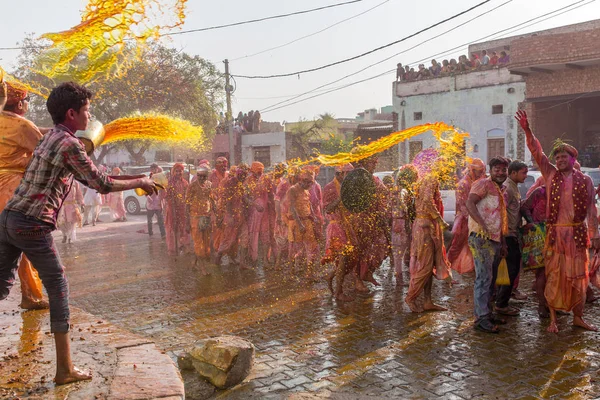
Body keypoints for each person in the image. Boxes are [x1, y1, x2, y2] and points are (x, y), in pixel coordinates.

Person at [0, 81, 159, 385]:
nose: (90, 115)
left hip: (8, 219)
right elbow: (100, 183)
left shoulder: (49, 138)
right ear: (72, 113)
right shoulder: (68, 144)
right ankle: (65, 370)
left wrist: (137, 177)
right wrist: (142, 181)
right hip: (32, 223)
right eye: (87, 110)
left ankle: (65, 367)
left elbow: (94, 174)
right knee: (59, 288)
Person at [516, 110, 600, 333]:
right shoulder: (551, 175)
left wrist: (596, 234)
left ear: (573, 159)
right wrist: (527, 130)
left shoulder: (586, 181)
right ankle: (553, 318)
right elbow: (537, 151)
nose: (560, 160)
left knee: (579, 277)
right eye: (558, 157)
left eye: (564, 157)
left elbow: (591, 209)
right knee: (554, 276)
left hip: (577, 234)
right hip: (555, 235)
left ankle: (578, 317)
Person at [0, 82, 49, 311]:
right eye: (27, 102)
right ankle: (31, 296)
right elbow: (43, 151)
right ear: (20, 103)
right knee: (27, 245)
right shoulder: (22, 124)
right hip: (14, 191)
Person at [466, 156, 510, 333]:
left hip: (496, 239)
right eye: (497, 169)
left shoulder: (501, 189)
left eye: (503, 169)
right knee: (483, 278)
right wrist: (482, 225)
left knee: (490, 280)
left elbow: (501, 218)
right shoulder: (482, 184)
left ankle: (487, 312)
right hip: (480, 237)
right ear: (491, 171)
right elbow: (469, 203)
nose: (500, 172)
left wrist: (504, 242)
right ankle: (481, 318)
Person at [405, 174, 451, 312]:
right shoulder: (431, 178)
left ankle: (427, 301)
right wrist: (440, 221)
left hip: (424, 225)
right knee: (425, 266)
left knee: (430, 265)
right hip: (425, 228)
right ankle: (410, 297)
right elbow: (427, 200)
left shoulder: (426, 180)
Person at [349, 156, 390, 292]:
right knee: (359, 251)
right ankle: (357, 280)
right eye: (372, 163)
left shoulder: (375, 179)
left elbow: (384, 193)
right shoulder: (358, 178)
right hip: (360, 219)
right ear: (365, 163)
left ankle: (368, 272)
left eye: (375, 163)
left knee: (383, 247)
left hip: (375, 219)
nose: (374, 166)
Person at [495, 160, 528, 316]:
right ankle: (501, 304)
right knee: (511, 269)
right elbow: (501, 211)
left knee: (512, 269)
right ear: (513, 173)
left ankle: (501, 300)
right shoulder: (507, 188)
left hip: (513, 232)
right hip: (508, 235)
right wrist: (504, 235)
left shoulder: (513, 187)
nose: (526, 176)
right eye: (523, 172)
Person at [322, 164, 356, 301]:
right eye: (347, 175)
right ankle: (338, 292)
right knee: (342, 260)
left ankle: (331, 276)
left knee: (350, 259)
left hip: (346, 226)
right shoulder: (329, 187)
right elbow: (328, 209)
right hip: (335, 227)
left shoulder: (348, 187)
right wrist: (341, 198)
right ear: (340, 174)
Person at [447, 159, 486, 275]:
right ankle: (446, 270)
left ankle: (473, 269)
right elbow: (463, 206)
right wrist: (473, 219)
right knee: (456, 247)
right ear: (472, 170)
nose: (481, 174)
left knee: (472, 246)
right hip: (464, 220)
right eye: (479, 172)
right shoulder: (463, 184)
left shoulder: (475, 181)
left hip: (472, 219)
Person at [521, 179, 548, 318]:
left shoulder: (564, 192)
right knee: (542, 273)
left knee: (555, 273)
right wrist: (533, 223)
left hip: (559, 237)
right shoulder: (540, 192)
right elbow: (525, 207)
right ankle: (542, 305)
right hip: (540, 236)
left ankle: (553, 304)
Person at [215, 164, 249, 267]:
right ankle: (218, 258)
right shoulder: (229, 183)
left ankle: (243, 262)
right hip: (230, 217)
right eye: (242, 176)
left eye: (245, 176)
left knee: (245, 237)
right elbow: (227, 201)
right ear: (238, 174)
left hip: (240, 215)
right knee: (228, 240)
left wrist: (254, 204)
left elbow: (244, 198)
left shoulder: (241, 184)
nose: (243, 178)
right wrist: (229, 215)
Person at [287, 169, 319, 278]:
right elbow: (292, 208)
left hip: (307, 222)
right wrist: (300, 224)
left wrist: (313, 216)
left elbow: (308, 205)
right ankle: (291, 272)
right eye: (307, 182)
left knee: (311, 247)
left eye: (311, 183)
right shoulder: (292, 190)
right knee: (295, 249)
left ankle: (309, 273)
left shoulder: (307, 190)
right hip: (296, 223)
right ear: (301, 180)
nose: (309, 185)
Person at [391, 165, 418, 284]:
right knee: (401, 252)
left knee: (399, 252)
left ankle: (400, 278)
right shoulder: (403, 190)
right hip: (401, 222)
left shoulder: (398, 189)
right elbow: (403, 204)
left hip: (397, 222)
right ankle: (400, 279)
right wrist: (407, 212)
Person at [186, 166, 214, 275]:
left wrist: (215, 213)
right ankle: (203, 269)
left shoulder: (209, 185)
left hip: (206, 217)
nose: (201, 178)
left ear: (207, 176)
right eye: (199, 176)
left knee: (206, 243)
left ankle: (194, 263)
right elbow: (187, 204)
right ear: (197, 176)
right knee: (198, 243)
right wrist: (187, 222)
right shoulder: (192, 186)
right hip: (195, 218)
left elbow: (211, 199)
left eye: (204, 176)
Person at [246, 162, 270, 266]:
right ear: (252, 171)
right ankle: (252, 258)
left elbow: (271, 193)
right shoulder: (248, 180)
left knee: (265, 235)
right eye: (257, 172)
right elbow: (245, 197)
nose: (259, 174)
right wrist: (255, 204)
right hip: (253, 212)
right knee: (253, 235)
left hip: (265, 211)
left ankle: (265, 259)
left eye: (260, 172)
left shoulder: (266, 179)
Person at [163, 163, 190, 256]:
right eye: (177, 171)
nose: (179, 173)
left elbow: (188, 196)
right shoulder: (169, 183)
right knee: (172, 228)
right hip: (172, 209)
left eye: (180, 171)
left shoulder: (185, 182)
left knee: (183, 228)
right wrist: (172, 203)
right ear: (173, 172)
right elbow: (166, 197)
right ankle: (172, 249)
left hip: (182, 209)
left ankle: (184, 245)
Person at [208, 157, 228, 253]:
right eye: (222, 166)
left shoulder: (228, 175)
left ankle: (221, 250)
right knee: (215, 228)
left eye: (225, 166)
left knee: (225, 229)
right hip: (214, 206)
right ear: (217, 166)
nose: (224, 168)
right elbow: (208, 191)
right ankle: (214, 250)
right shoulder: (212, 176)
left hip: (226, 206)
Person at [146, 164, 166, 238]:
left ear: (157, 169)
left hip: (158, 202)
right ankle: (150, 233)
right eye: (153, 169)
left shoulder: (161, 178)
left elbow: (163, 190)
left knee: (160, 220)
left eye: (155, 169)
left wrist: (162, 199)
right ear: (151, 170)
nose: (154, 170)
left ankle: (163, 234)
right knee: (149, 220)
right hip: (150, 202)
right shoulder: (148, 179)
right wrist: (147, 197)